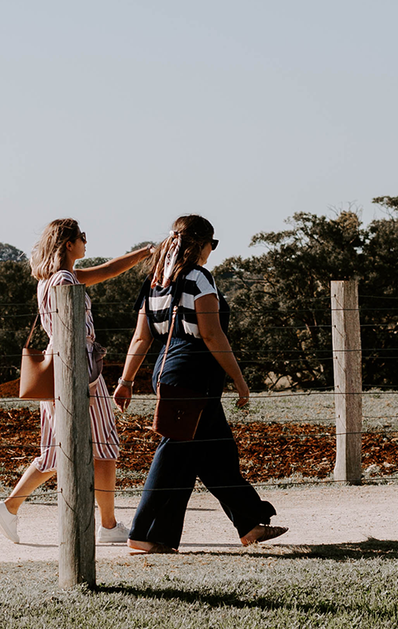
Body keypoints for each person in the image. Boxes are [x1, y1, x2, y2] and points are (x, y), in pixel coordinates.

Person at [113, 215, 286, 553]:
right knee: (174, 456)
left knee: (217, 452)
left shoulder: (154, 283)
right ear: (200, 243)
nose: (212, 250)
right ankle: (145, 534)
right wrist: (239, 378)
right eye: (213, 243)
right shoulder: (199, 279)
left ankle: (250, 524)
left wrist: (126, 381)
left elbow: (141, 338)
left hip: (168, 372)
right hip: (193, 376)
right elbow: (211, 334)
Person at [0, 219, 153, 546]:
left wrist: (145, 253)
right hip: (80, 369)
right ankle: (108, 525)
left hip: (56, 371)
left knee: (55, 450)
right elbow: (75, 326)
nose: (86, 242)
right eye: (82, 238)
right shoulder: (66, 280)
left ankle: (10, 507)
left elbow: (106, 270)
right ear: (68, 243)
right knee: (104, 445)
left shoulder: (51, 279)